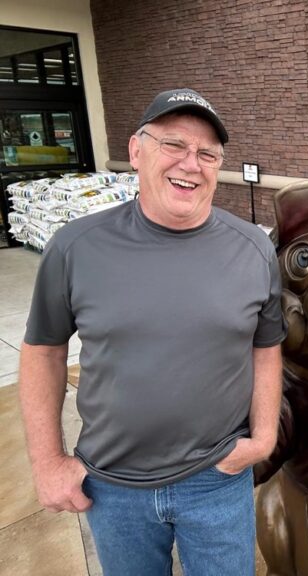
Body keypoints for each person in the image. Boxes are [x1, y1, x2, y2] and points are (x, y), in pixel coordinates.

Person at [18, 88, 286, 575]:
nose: (191, 164)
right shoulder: (76, 247)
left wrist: (264, 438)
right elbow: (43, 351)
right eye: (174, 145)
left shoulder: (252, 248)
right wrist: (47, 461)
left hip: (217, 479)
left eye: (207, 153)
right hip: (112, 485)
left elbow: (265, 347)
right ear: (136, 151)